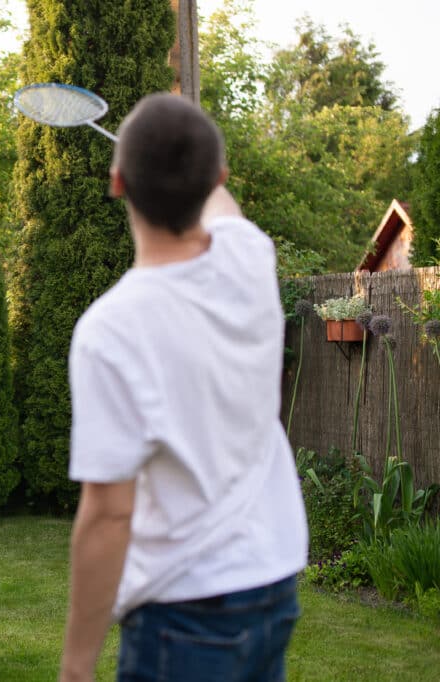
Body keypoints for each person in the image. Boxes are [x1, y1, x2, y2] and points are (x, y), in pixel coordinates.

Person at [59, 93, 308, 682]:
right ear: (217, 176)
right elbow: (220, 203)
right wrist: (183, 146)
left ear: (117, 182)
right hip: (273, 581)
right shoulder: (249, 256)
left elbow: (107, 515)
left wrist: (75, 668)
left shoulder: (111, 329)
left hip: (184, 609)